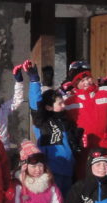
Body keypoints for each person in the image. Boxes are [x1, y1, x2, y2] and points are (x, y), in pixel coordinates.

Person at [23, 60, 80, 193]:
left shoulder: (65, 121)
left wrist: (76, 141)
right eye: (60, 104)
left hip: (68, 169)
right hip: (52, 170)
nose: (63, 106)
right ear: (49, 107)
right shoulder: (42, 121)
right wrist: (34, 80)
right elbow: (35, 103)